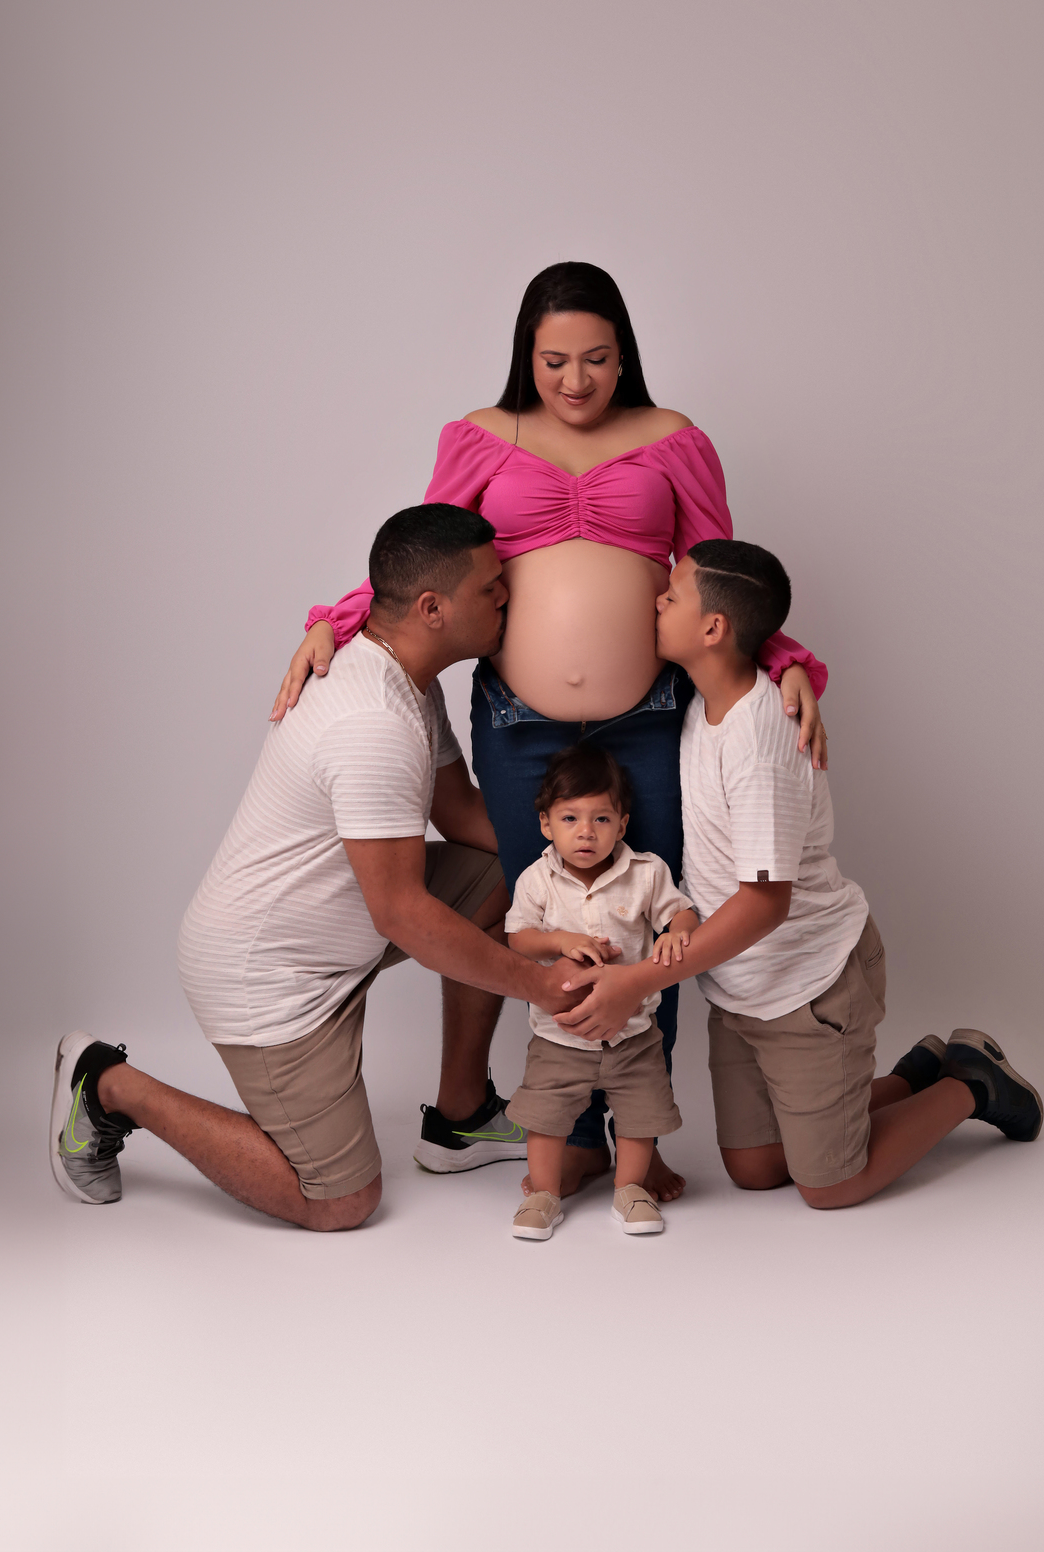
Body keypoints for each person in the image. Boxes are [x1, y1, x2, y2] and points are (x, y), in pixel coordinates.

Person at [269, 262, 830, 1202]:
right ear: (526, 357)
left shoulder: (674, 438)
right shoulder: (482, 436)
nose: (576, 380)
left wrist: (788, 661)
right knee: (538, 909)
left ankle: (635, 1134)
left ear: (625, 356)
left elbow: (718, 574)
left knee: (648, 906)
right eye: (555, 360)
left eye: (597, 359)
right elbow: (427, 550)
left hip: (647, 718)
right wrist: (339, 617)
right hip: (517, 724)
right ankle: (560, 1129)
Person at [48, 506, 593, 1230]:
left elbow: (460, 812)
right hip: (268, 979)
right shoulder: (372, 723)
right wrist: (540, 984)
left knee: (504, 874)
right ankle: (107, 1084)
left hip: (336, 929)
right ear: (432, 609)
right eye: (491, 587)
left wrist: (578, 860)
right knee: (339, 1201)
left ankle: (461, 1118)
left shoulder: (406, 677)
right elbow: (401, 914)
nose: (507, 596)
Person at [549, 540, 1043, 1209]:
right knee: (755, 1169)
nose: (656, 602)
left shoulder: (760, 743)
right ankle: (918, 1074)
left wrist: (637, 981)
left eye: (671, 595)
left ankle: (971, 1083)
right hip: (741, 991)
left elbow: (765, 905)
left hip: (810, 984)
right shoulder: (703, 698)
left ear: (712, 628)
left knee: (831, 1185)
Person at [503, 746, 697, 1241]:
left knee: (640, 1115)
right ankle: (544, 1194)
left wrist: (677, 930)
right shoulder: (538, 879)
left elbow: (681, 911)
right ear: (546, 824)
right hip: (559, 1036)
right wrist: (559, 941)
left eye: (601, 818)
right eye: (570, 818)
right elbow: (518, 938)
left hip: (633, 1034)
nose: (586, 832)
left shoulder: (646, 872)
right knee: (545, 1117)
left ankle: (630, 1189)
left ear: (622, 824)